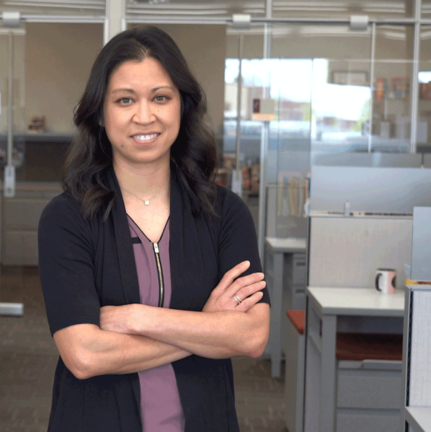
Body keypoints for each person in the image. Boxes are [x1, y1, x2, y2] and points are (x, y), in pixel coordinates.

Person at [38, 26, 270, 432]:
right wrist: (207, 325)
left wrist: (137, 318)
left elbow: (250, 336)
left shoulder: (225, 213)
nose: (144, 116)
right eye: (125, 100)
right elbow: (84, 355)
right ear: (99, 113)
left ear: (183, 106)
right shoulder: (67, 219)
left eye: (160, 98)